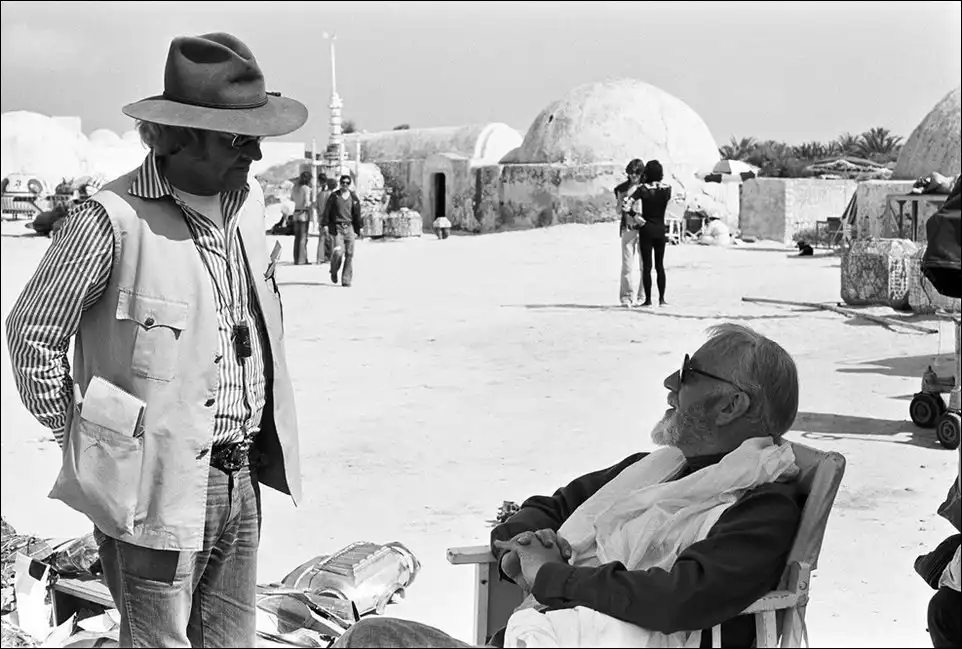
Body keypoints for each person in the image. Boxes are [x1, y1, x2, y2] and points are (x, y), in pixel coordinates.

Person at [4, 32, 305, 648]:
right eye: (237, 139)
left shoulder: (247, 206)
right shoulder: (109, 220)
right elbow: (32, 335)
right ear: (178, 137)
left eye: (255, 137)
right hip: (150, 487)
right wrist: (95, 445)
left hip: (239, 473)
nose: (254, 153)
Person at [332, 323, 804, 648]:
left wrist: (550, 576)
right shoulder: (657, 469)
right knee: (370, 637)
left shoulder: (761, 507)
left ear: (731, 406)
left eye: (688, 375)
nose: (669, 384)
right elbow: (550, 507)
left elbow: (680, 597)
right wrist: (522, 546)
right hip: (539, 635)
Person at [633, 160, 672, 307]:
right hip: (660, 229)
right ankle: (662, 299)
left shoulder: (642, 189)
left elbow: (626, 204)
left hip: (646, 228)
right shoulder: (667, 189)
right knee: (660, 266)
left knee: (647, 267)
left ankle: (648, 299)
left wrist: (636, 216)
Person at [614, 159, 646, 307]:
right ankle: (626, 297)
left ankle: (643, 296)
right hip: (628, 229)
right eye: (631, 173)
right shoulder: (622, 189)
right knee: (627, 266)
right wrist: (621, 202)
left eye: (637, 173)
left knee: (645, 265)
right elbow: (618, 211)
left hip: (644, 230)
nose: (634, 176)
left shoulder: (646, 188)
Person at [322, 174, 363, 287]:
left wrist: (359, 228)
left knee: (349, 254)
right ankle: (334, 270)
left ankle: (346, 279)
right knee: (338, 252)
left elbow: (357, 214)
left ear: (349, 184)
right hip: (337, 228)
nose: (345, 184)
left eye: (347, 183)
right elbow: (327, 210)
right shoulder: (334, 196)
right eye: (343, 182)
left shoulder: (353, 197)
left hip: (349, 227)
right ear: (340, 183)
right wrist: (325, 225)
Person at [291, 170, 313, 265]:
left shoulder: (295, 188)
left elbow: (292, 199)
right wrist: (312, 204)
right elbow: (307, 203)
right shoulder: (306, 189)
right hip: (303, 213)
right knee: (303, 237)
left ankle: (296, 259)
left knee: (297, 237)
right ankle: (302, 259)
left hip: (296, 213)